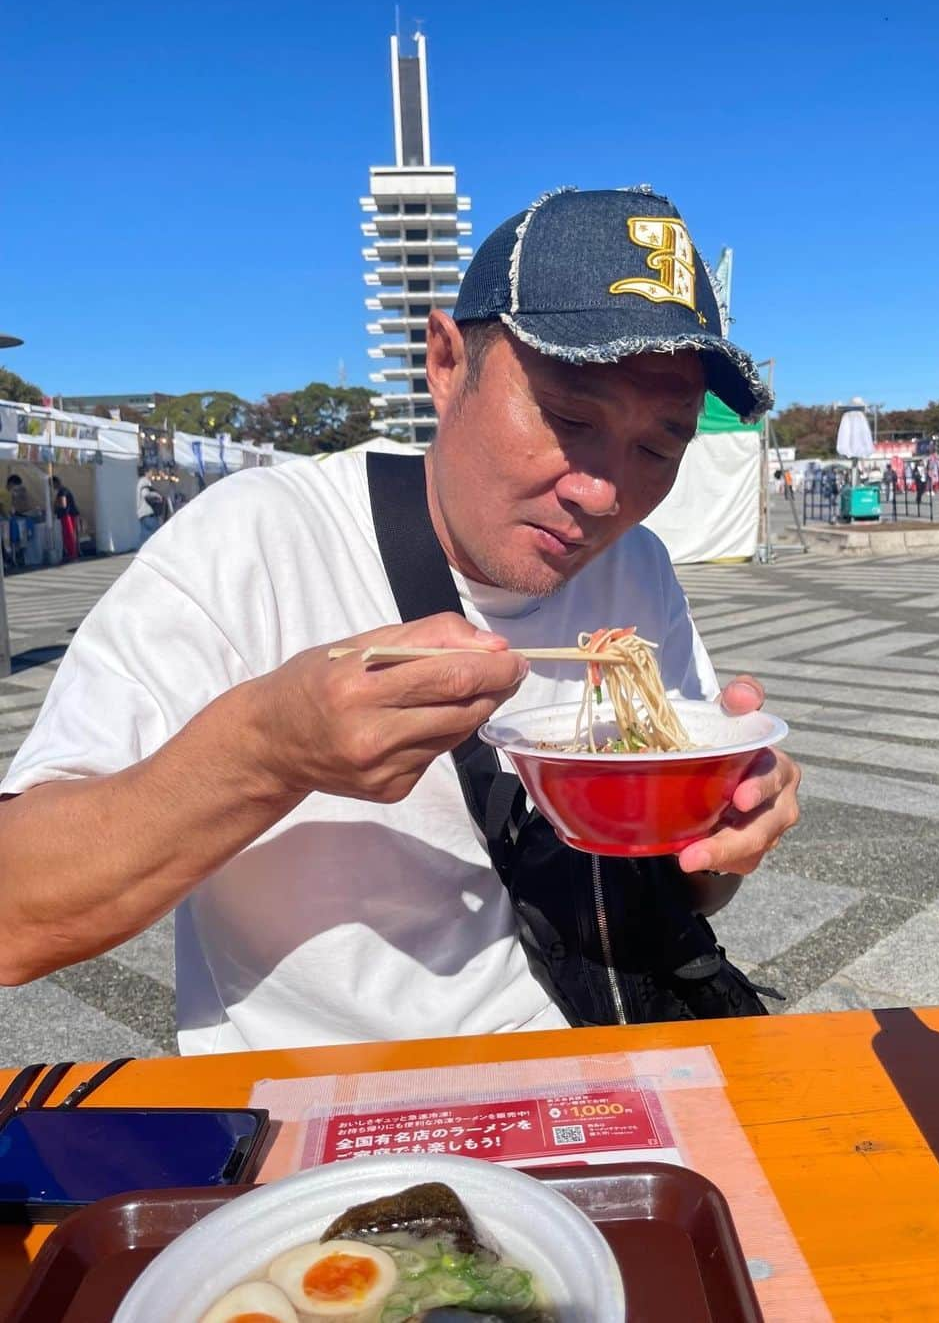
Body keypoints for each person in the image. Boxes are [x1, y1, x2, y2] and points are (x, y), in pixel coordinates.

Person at [0, 187, 801, 1055]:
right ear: (447, 361)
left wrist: (722, 836)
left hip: (608, 1066)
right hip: (346, 1106)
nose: (603, 494)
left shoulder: (634, 566)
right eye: (570, 417)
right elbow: (17, 914)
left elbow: (680, 890)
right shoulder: (258, 538)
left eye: (659, 446)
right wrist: (268, 749)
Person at [51, 476, 80, 561]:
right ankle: (72, 553)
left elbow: (63, 504)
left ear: (56, 483)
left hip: (68, 515)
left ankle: (72, 554)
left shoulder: (62, 491)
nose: (52, 487)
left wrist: (55, 504)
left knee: (69, 534)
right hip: (69, 514)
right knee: (69, 534)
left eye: (52, 485)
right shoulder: (64, 490)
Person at [136, 466, 165, 544]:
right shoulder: (144, 481)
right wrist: (157, 495)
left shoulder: (139, 481)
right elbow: (146, 494)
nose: (152, 474)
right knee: (157, 534)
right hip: (148, 513)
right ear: (146, 473)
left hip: (142, 514)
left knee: (145, 537)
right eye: (151, 472)